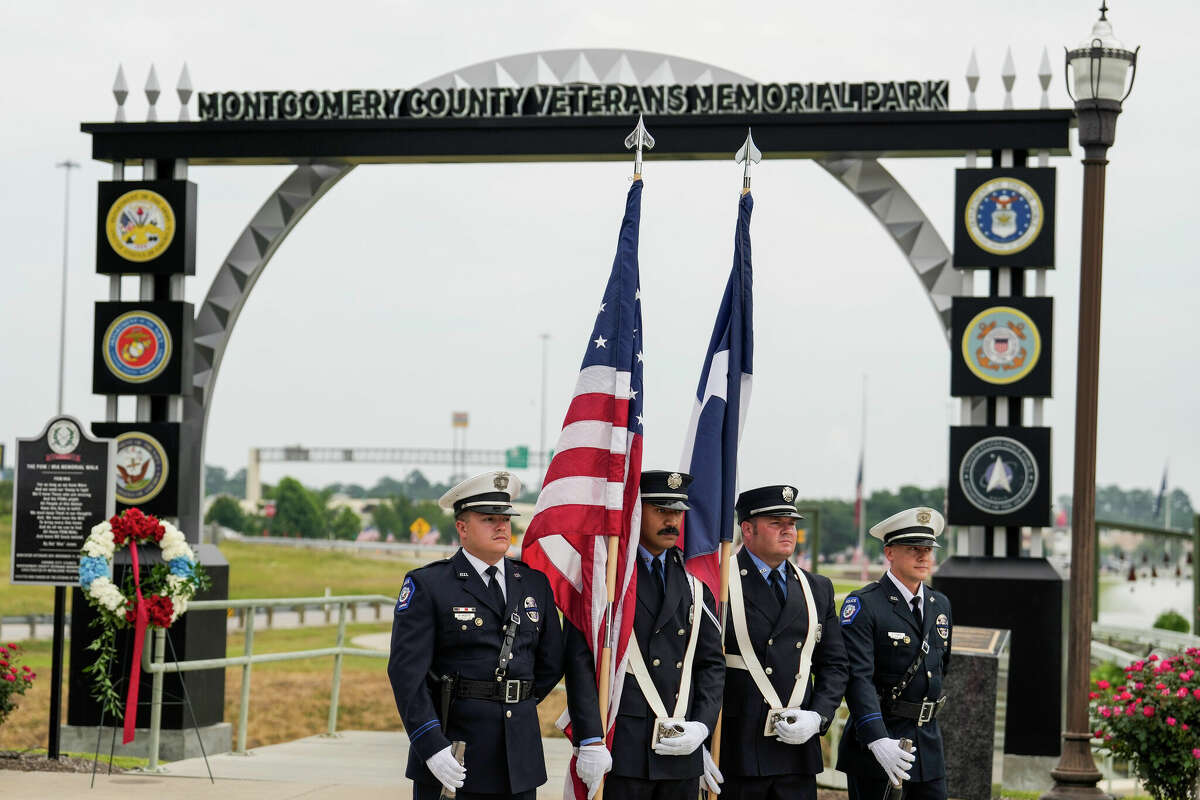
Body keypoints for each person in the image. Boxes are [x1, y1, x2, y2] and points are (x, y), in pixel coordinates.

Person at [387, 470, 564, 800]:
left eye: (505, 518)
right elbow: (406, 674)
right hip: (454, 754)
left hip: (518, 758)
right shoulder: (430, 585)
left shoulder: (534, 584)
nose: (501, 526)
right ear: (462, 528)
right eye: (488, 519)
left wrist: (511, 698)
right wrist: (430, 744)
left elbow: (551, 662)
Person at [564, 470, 725, 800]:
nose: (672, 521)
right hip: (624, 749)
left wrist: (702, 726)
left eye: (677, 512)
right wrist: (591, 738)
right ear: (637, 512)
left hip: (680, 749)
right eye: (661, 510)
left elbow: (711, 664)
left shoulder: (695, 585)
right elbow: (580, 663)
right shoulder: (609, 580)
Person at [717, 484, 849, 800]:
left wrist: (819, 716)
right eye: (776, 523)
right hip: (738, 752)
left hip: (796, 753)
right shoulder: (718, 582)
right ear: (747, 529)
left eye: (791, 524)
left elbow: (834, 664)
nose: (788, 531)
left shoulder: (817, 587)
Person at [836, 507, 953, 800]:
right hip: (880, 742)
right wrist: (877, 739)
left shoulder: (940, 604)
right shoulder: (865, 605)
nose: (924, 556)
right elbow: (858, 678)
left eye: (928, 548)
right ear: (889, 553)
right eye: (913, 548)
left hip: (927, 743)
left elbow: (940, 668)